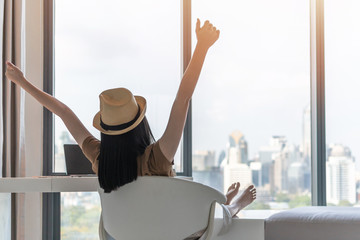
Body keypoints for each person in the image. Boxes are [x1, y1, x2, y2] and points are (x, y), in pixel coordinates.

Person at [5, 19, 256, 219]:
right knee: (217, 218)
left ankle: (226, 202)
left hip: (122, 235)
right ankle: (232, 207)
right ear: (140, 124)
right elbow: (183, 100)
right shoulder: (157, 159)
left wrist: (22, 82)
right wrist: (202, 46)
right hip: (168, 235)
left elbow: (63, 112)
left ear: (105, 130)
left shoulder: (100, 158)